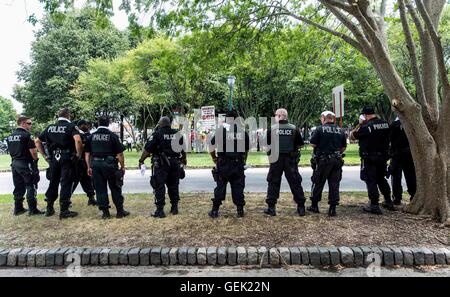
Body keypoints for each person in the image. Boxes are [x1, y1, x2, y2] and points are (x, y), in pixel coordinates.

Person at [35, 108, 82, 219]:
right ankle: (64, 210)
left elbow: (37, 141)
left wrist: (45, 155)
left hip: (53, 158)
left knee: (53, 182)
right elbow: (78, 140)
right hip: (66, 157)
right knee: (66, 182)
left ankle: (49, 207)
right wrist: (78, 154)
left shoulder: (50, 127)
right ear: (68, 115)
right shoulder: (71, 126)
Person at [138, 116, 187, 218]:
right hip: (175, 163)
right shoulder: (177, 134)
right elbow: (183, 149)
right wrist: (184, 159)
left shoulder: (157, 134)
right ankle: (174, 208)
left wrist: (141, 160)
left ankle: (160, 210)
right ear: (169, 124)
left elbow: (148, 150)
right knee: (174, 185)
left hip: (161, 164)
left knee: (159, 185)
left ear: (161, 124)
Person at [350, 106, 395, 214]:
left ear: (365, 115)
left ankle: (374, 205)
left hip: (369, 158)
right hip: (383, 157)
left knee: (371, 180)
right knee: (381, 179)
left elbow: (352, 136)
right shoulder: (385, 124)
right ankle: (388, 201)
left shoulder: (366, 126)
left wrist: (360, 124)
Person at [84, 116, 130, 219]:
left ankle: (105, 213)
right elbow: (120, 154)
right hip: (110, 165)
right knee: (115, 187)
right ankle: (120, 211)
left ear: (98, 123)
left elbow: (87, 154)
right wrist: (122, 167)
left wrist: (88, 167)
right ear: (108, 123)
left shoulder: (91, 136)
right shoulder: (112, 136)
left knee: (100, 189)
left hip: (95, 164)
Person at [264, 108, 306, 216]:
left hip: (276, 159)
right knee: (295, 182)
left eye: (275, 115)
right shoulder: (294, 128)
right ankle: (301, 207)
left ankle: (271, 208)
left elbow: (266, 144)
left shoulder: (272, 129)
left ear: (279, 116)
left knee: (273, 182)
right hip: (290, 159)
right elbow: (301, 144)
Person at [208, 110, 250, 218]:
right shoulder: (242, 132)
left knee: (220, 187)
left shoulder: (220, 131)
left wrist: (214, 159)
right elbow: (246, 150)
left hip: (223, 164)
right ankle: (240, 210)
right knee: (238, 187)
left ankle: (215, 210)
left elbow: (211, 146)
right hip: (237, 163)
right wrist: (243, 161)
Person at [308, 111, 347, 216]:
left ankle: (314, 205)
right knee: (334, 184)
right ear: (333, 119)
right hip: (337, 160)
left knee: (318, 182)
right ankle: (332, 208)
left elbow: (312, 143)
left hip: (323, 161)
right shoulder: (340, 130)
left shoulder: (320, 129)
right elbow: (343, 147)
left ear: (324, 118)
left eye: (321, 118)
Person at [6, 116, 44, 216]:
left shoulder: (10, 136)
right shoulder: (26, 135)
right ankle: (33, 209)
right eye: (29, 123)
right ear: (22, 123)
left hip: (14, 163)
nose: (31, 125)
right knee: (31, 185)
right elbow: (33, 152)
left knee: (18, 186)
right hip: (25, 163)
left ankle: (18, 208)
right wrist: (35, 161)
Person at [389, 117, 416, 205]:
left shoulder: (394, 125)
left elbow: (390, 139)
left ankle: (397, 198)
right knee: (410, 176)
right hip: (409, 153)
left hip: (396, 154)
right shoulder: (411, 123)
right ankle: (413, 195)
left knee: (396, 176)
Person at [72, 119, 97, 206]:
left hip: (84, 162)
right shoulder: (78, 134)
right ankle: (66, 200)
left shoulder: (85, 134)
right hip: (78, 161)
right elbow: (80, 145)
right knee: (73, 181)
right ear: (82, 125)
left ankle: (91, 198)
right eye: (86, 125)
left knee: (87, 180)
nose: (88, 127)